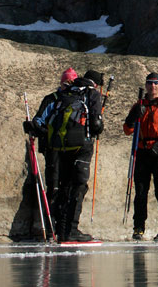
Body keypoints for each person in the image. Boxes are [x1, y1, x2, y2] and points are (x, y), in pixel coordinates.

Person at [25, 69, 104, 242]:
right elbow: (97, 124)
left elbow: (41, 121)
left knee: (62, 186)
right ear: (95, 84)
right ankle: (70, 229)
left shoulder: (62, 96)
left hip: (61, 148)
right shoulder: (91, 95)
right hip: (80, 146)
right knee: (78, 186)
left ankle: (59, 229)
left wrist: (33, 128)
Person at [123, 72, 158, 241]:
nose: (152, 86)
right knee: (141, 191)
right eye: (150, 83)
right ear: (146, 85)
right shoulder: (138, 105)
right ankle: (138, 228)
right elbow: (127, 130)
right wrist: (133, 117)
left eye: (156, 83)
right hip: (141, 151)